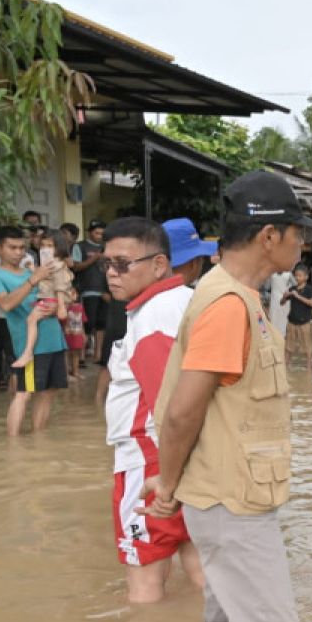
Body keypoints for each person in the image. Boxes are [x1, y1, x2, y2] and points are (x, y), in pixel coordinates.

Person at [145, 170, 312, 622]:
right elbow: (182, 412)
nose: (303, 243)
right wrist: (167, 487)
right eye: (297, 232)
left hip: (228, 492)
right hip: (230, 500)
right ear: (270, 236)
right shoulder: (228, 306)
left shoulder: (239, 296)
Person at [102, 217, 205, 602]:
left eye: (123, 264)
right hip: (185, 462)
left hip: (148, 463)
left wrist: (166, 477)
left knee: (144, 581)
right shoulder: (187, 300)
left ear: (159, 264)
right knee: (200, 566)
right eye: (106, 264)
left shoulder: (151, 317)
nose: (112, 274)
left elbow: (171, 402)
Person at [0, 225, 67, 436]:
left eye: (22, 247)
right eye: (12, 247)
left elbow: (62, 293)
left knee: (49, 392)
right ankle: (13, 446)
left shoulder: (36, 269)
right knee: (24, 393)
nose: (18, 252)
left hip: (54, 339)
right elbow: (6, 305)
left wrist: (59, 304)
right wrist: (33, 280)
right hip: (29, 346)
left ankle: (38, 442)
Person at [12, 229, 73, 368]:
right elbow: (45, 278)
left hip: (50, 300)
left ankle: (28, 353)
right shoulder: (50, 264)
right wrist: (33, 268)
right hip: (48, 299)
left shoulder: (56, 264)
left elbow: (59, 286)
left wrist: (62, 307)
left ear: (59, 247)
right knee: (32, 320)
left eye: (50, 246)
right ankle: (28, 353)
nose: (46, 249)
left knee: (31, 320)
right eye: (43, 245)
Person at [72, 220, 108, 364]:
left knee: (102, 324)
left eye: (102, 233)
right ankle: (81, 356)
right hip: (87, 290)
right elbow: (75, 267)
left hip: (104, 291)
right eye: (96, 232)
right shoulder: (80, 246)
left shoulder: (107, 247)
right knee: (87, 324)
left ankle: (98, 354)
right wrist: (94, 258)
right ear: (89, 232)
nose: (99, 236)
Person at [161, 216, 217, 288]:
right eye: (202, 258)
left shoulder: (149, 294)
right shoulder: (195, 297)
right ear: (193, 264)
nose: (203, 262)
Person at [281, 263, 312, 370]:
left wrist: (298, 296)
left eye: (300, 275)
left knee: (307, 348)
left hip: (304, 323)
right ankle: (285, 368)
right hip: (292, 322)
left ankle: (309, 369)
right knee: (288, 347)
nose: (297, 277)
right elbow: (282, 303)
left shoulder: (309, 289)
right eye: (296, 275)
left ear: (306, 277)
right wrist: (284, 296)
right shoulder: (292, 288)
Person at [64, 287, 86, 381]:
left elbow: (82, 321)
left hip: (78, 333)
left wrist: (84, 334)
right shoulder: (64, 307)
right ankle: (66, 374)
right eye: (70, 293)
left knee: (76, 353)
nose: (73, 295)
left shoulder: (80, 307)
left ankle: (75, 372)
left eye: (74, 293)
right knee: (67, 354)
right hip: (67, 334)